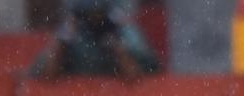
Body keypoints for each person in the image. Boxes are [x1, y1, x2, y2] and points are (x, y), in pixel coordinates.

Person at [29, 0, 160, 81]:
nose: (95, 21)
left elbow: (142, 79)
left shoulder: (123, 32)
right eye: (90, 15)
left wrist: (118, 50)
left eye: (99, 15)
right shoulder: (74, 31)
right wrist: (63, 42)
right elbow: (46, 76)